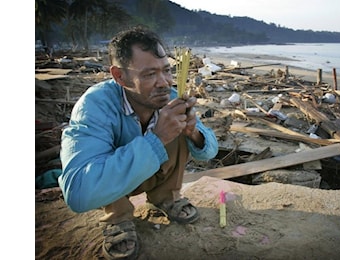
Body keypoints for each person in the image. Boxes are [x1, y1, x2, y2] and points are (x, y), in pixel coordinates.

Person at [58, 26, 219, 259]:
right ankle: (117, 217)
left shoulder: (170, 97)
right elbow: (79, 194)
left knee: (178, 127)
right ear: (119, 76)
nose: (164, 82)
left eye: (166, 70)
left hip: (152, 173)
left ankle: (166, 197)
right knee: (115, 148)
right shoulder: (94, 106)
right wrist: (157, 138)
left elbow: (209, 152)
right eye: (149, 74)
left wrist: (193, 132)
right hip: (114, 187)